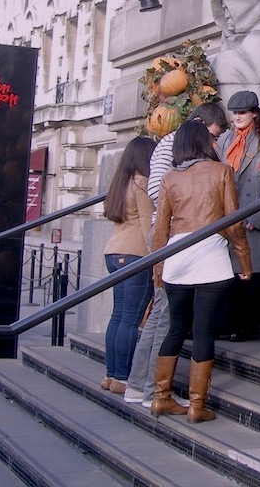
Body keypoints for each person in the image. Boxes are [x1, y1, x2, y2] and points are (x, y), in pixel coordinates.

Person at [122, 102, 228, 407]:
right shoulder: (174, 146)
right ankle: (151, 392)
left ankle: (138, 385)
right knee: (167, 318)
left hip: (171, 237)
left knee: (158, 315)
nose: (213, 142)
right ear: (197, 125)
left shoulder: (173, 147)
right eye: (211, 135)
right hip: (172, 238)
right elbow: (158, 190)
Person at [151, 119, 252, 422]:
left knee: (176, 328)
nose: (215, 142)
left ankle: (161, 398)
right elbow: (233, 223)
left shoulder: (169, 177)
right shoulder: (221, 171)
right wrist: (245, 263)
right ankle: (197, 405)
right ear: (203, 142)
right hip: (210, 256)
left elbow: (161, 229)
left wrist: (157, 268)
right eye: (210, 139)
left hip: (176, 257)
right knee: (205, 331)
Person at [215, 90, 260, 340]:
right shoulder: (224, 140)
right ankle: (226, 323)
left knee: (250, 273)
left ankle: (245, 325)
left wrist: (257, 217)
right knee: (227, 272)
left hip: (254, 216)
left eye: (242, 112)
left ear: (255, 113)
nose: (237, 117)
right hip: (226, 216)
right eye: (234, 113)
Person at [99, 136, 156, 394]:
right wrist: (160, 256)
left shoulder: (119, 183)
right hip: (136, 254)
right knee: (131, 321)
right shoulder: (141, 182)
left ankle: (111, 374)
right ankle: (122, 377)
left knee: (118, 316)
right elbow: (148, 226)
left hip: (113, 252)